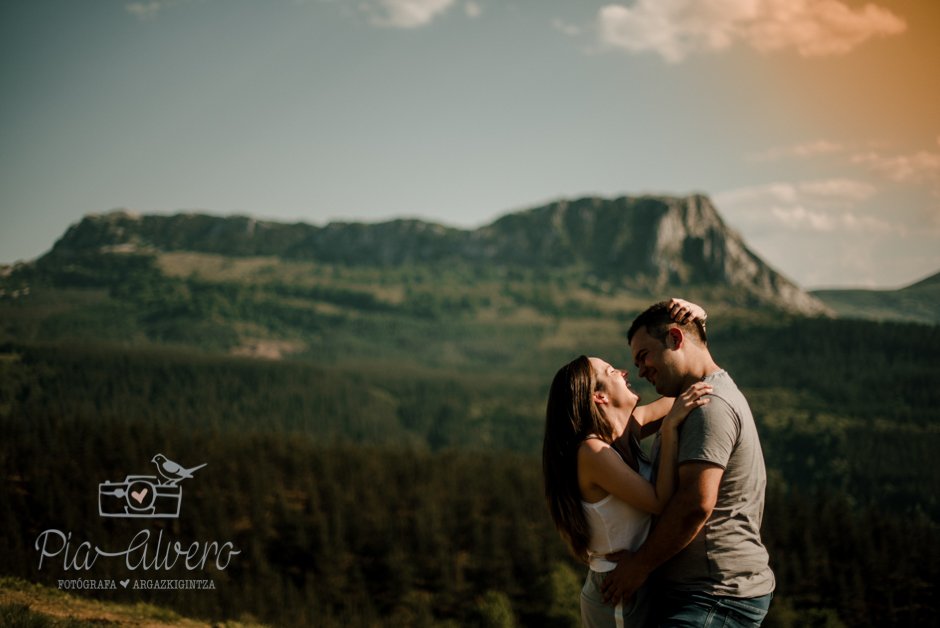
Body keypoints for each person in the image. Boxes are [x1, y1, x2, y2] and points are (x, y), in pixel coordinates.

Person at [599, 301, 776, 627]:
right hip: (699, 594)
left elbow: (696, 504)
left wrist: (639, 566)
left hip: (714, 597)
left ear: (676, 338)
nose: (640, 370)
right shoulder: (693, 399)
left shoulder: (710, 406)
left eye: (644, 356)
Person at [543, 300, 712, 627]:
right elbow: (661, 502)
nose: (623, 371)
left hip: (638, 580)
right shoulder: (592, 453)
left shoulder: (627, 428)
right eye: (610, 372)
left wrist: (698, 324)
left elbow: (693, 382)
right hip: (615, 594)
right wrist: (670, 427)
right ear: (599, 397)